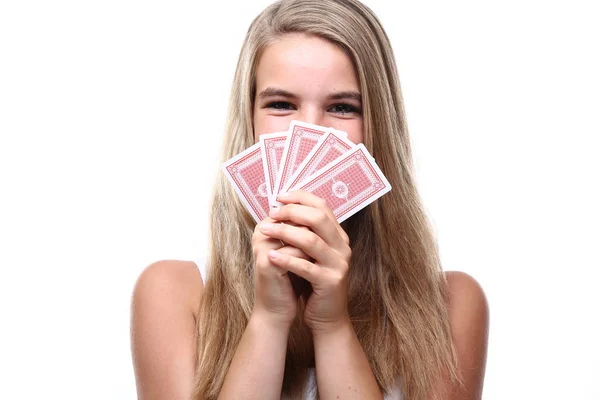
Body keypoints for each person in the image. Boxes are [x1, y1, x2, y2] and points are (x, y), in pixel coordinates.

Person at [130, 0, 489, 399]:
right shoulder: (173, 293)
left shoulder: (452, 306)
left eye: (342, 107)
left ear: (378, 125)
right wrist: (269, 319)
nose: (310, 131)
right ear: (248, 116)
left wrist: (332, 325)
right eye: (282, 104)